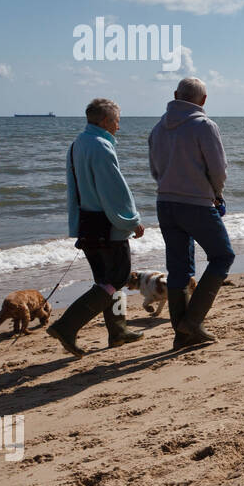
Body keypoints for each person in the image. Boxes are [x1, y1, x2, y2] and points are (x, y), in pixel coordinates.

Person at [47, 98, 146, 357]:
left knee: (106, 281)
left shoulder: (78, 143)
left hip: (87, 224)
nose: (118, 127)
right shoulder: (101, 147)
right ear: (104, 121)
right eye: (116, 121)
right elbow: (114, 192)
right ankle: (67, 326)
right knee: (117, 279)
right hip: (107, 226)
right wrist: (132, 221)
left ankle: (118, 331)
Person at [148, 77, 234, 350]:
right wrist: (216, 194)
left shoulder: (157, 128)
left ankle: (181, 335)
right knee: (222, 256)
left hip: (165, 203)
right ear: (204, 101)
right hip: (197, 203)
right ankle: (193, 321)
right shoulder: (205, 126)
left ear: (175, 95)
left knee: (178, 269)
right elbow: (218, 169)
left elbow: (154, 169)